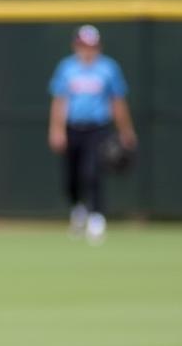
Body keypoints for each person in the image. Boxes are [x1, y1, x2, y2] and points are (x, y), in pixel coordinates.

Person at [47, 25, 137, 243]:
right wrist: (56, 130)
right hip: (72, 128)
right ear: (76, 46)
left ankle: (96, 217)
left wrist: (126, 131)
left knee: (93, 172)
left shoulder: (108, 68)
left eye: (92, 46)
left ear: (99, 47)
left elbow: (117, 101)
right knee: (71, 178)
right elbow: (59, 101)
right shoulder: (67, 68)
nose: (88, 50)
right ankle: (78, 210)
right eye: (83, 45)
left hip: (98, 128)